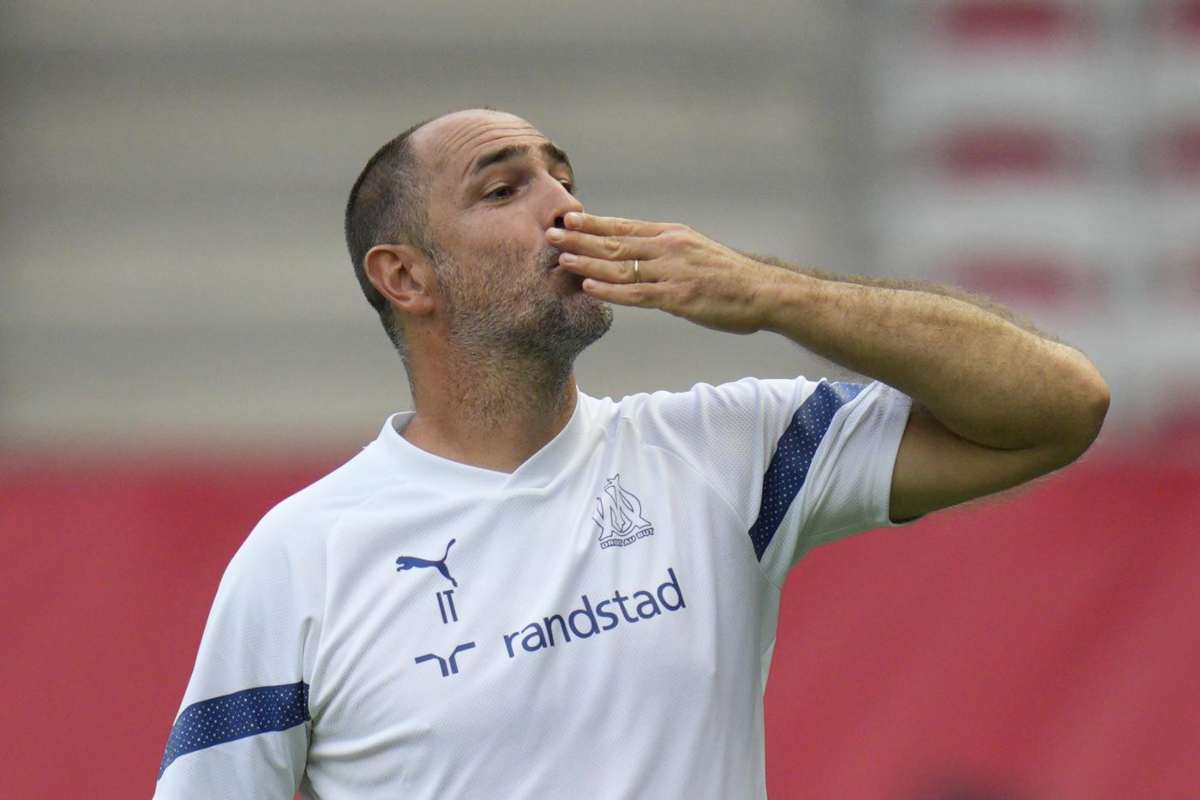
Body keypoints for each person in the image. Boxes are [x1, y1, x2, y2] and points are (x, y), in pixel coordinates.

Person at [152, 108, 1109, 799]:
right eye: (505, 188)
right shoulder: (303, 554)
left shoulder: (726, 452)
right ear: (405, 277)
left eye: (565, 177)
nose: (565, 207)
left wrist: (774, 295)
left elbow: (1059, 407)